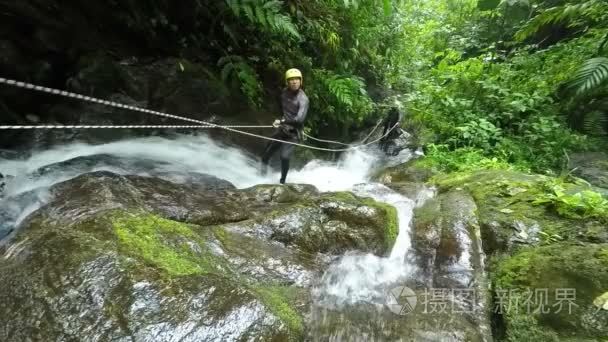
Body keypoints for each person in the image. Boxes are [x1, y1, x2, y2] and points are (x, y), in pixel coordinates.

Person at [260, 68, 310, 184]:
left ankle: (282, 182)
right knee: (266, 154)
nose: (294, 82)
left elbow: (299, 120)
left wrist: (282, 122)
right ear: (287, 82)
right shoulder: (284, 93)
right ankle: (261, 178)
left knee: (285, 157)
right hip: (282, 130)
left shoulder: (303, 99)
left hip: (294, 133)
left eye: (297, 79)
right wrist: (279, 118)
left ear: (301, 81)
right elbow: (282, 108)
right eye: (291, 80)